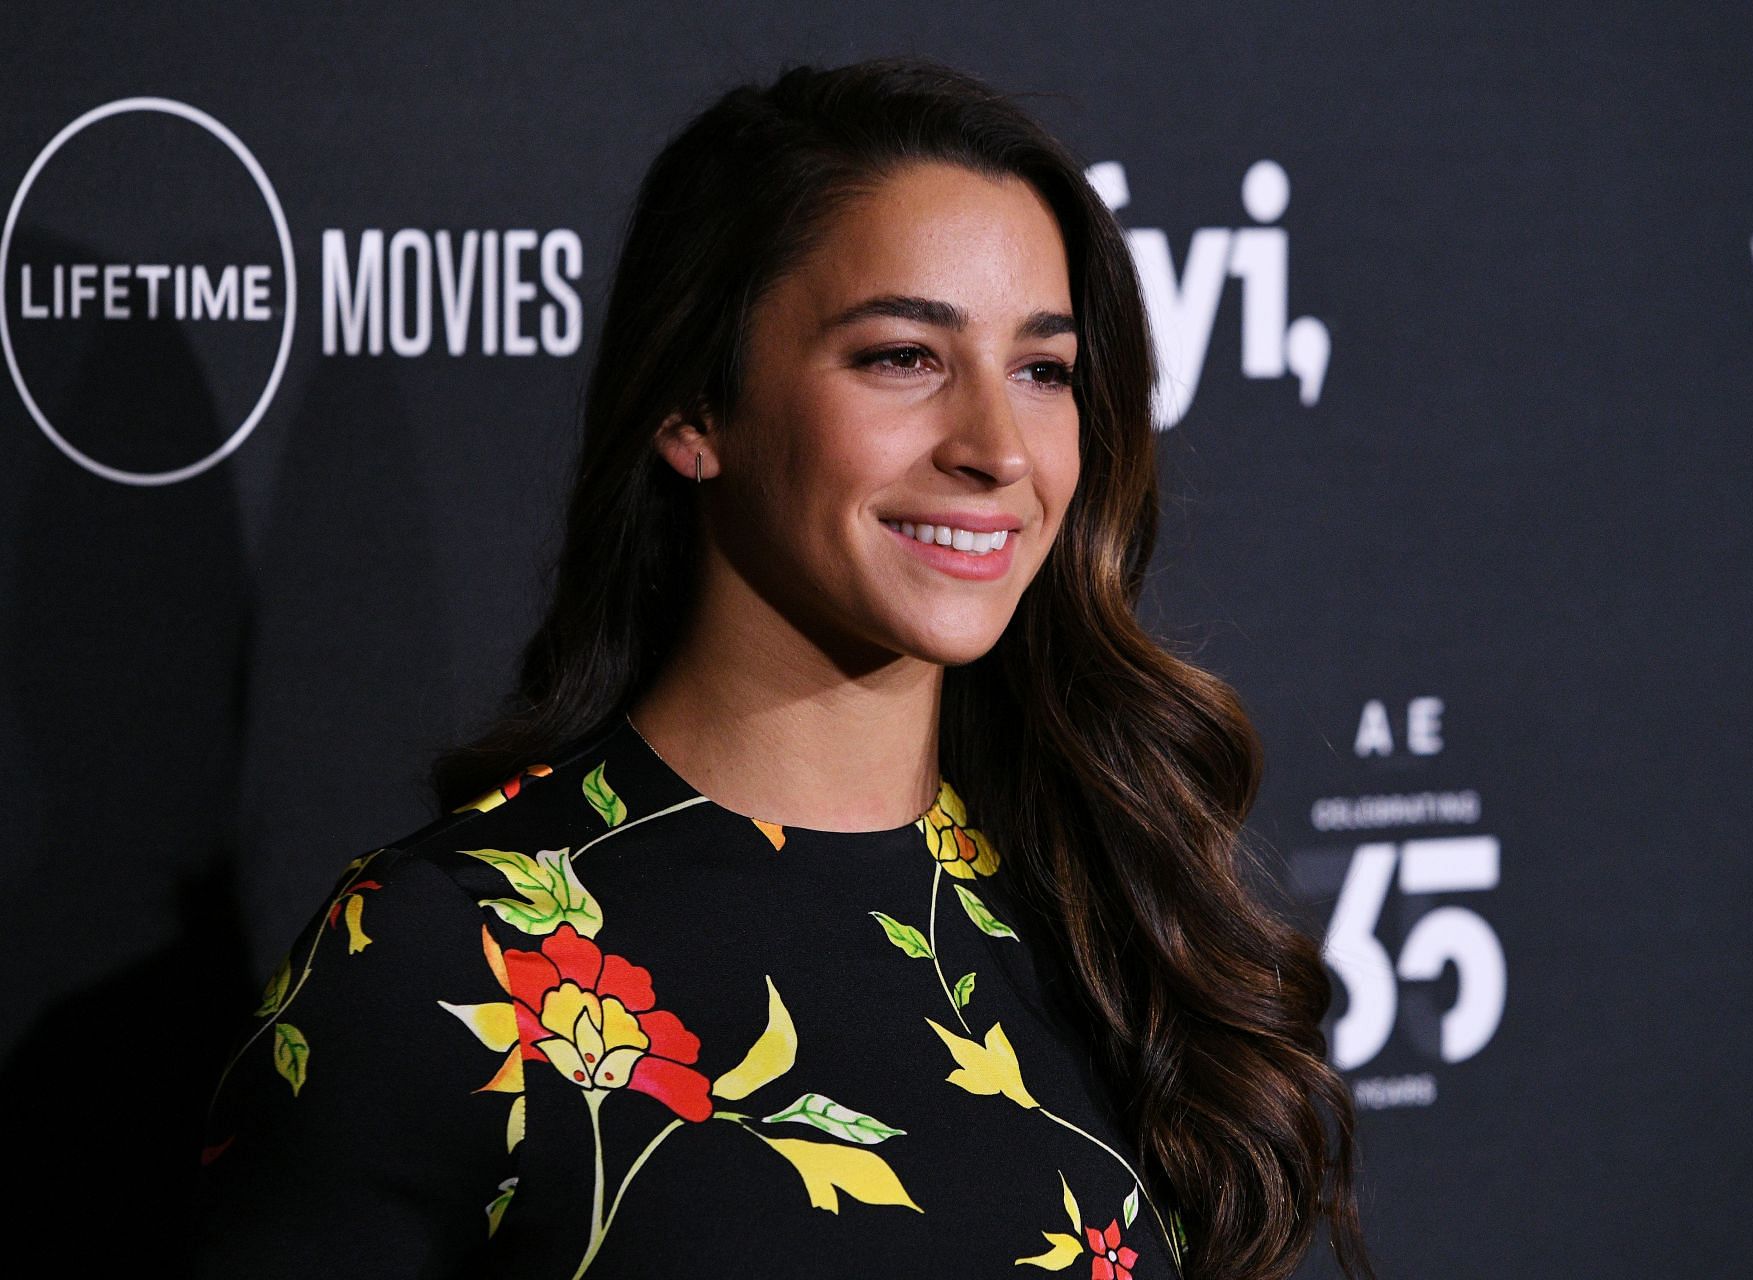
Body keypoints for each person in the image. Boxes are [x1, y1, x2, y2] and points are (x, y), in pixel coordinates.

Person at [192, 56, 1371, 1280]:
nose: (997, 449)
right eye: (903, 356)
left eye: (1044, 370)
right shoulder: (441, 955)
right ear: (696, 410)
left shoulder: (1102, 911)